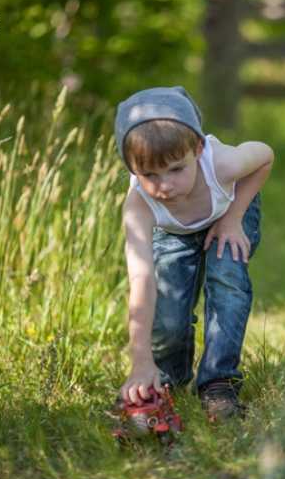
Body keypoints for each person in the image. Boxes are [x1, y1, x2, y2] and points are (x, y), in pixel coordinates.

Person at [114, 86, 274, 420]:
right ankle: (165, 378)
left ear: (198, 149)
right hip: (173, 230)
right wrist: (140, 360)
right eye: (149, 175)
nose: (164, 186)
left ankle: (218, 382)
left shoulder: (223, 165)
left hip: (229, 208)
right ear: (131, 168)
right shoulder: (139, 206)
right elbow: (141, 281)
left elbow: (264, 155)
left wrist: (232, 219)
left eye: (175, 169)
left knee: (227, 281)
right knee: (169, 310)